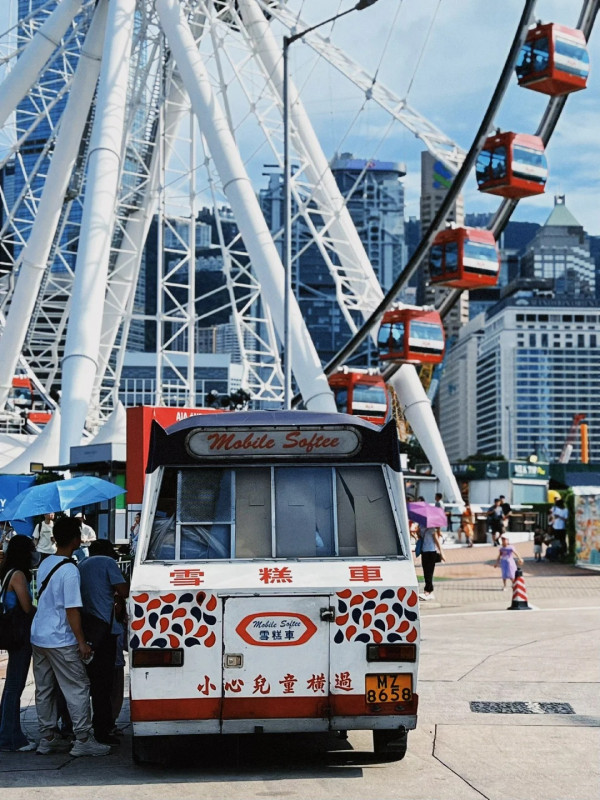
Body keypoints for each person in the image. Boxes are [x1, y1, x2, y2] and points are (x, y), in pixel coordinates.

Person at [30, 516, 110, 757]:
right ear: (77, 539)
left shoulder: (45, 563)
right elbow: (72, 609)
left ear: (54, 538)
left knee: (44, 688)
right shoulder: (70, 570)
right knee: (77, 687)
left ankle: (48, 737)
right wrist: (82, 641)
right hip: (61, 638)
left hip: (39, 635)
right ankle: (84, 738)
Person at [78, 539, 128, 745]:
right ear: (108, 552)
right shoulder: (107, 563)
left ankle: (90, 726)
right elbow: (124, 590)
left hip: (87, 628)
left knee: (91, 682)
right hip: (105, 630)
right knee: (105, 684)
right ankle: (103, 728)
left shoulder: (81, 565)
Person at [0, 535, 36, 752]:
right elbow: (26, 606)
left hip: (10, 633)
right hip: (20, 634)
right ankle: (11, 736)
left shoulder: (6, 572)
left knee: (11, 685)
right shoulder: (18, 575)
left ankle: (8, 732)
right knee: (15, 685)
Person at [418, 526, 445, 601]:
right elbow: (420, 537)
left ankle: (428, 591)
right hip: (424, 551)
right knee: (426, 571)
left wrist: (442, 553)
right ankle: (428, 591)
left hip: (431, 552)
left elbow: (437, 541)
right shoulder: (422, 528)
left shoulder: (432, 530)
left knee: (429, 572)